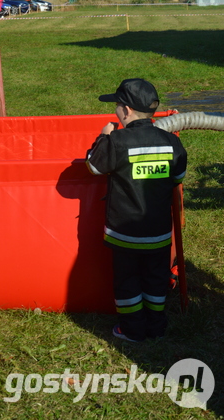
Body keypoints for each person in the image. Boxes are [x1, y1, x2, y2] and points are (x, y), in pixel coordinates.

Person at [86, 78, 187, 342]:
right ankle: (156, 325)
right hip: (158, 233)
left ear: (126, 111)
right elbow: (178, 177)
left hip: (125, 234)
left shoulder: (117, 141)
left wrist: (103, 136)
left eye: (117, 105)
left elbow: (93, 166)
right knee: (155, 279)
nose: (116, 110)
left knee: (127, 282)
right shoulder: (171, 143)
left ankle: (131, 329)